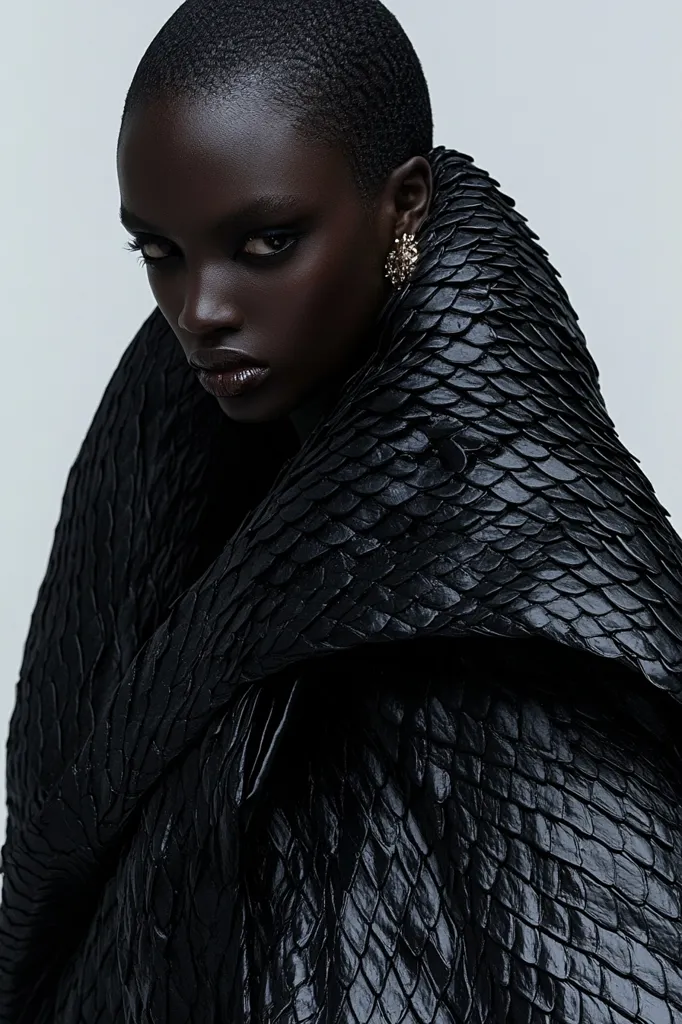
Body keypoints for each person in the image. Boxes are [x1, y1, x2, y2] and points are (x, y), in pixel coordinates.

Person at [1, 0, 681, 1020]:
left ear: (403, 204)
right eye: (161, 253)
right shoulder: (168, 461)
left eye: (267, 242)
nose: (201, 311)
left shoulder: (529, 608)